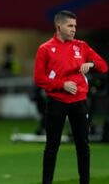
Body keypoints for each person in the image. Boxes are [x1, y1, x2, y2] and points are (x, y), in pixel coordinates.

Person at [34, 10, 108, 184]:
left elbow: (104, 66)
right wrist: (62, 85)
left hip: (79, 102)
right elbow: (39, 78)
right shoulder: (45, 49)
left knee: (83, 146)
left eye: (75, 25)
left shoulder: (82, 46)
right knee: (52, 147)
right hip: (56, 103)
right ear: (59, 26)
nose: (74, 29)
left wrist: (91, 63)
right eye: (70, 25)